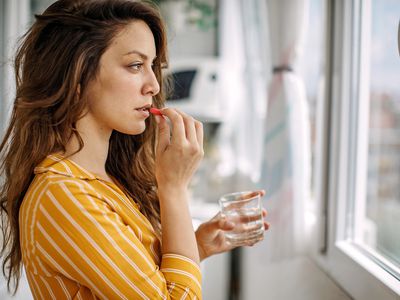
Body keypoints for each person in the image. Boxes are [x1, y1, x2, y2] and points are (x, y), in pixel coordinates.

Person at [0, 0, 269, 299]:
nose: (154, 85)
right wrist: (174, 188)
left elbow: (143, 283)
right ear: (77, 77)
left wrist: (198, 246)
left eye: (153, 66)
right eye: (135, 65)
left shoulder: (105, 180)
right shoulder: (62, 195)